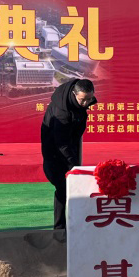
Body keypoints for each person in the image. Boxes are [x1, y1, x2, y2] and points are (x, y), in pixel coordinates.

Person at [40, 79, 97, 234]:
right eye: (82, 99)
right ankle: (60, 230)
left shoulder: (79, 104)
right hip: (54, 152)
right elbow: (61, 143)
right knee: (63, 188)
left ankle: (77, 226)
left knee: (75, 188)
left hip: (70, 148)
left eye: (89, 99)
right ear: (73, 94)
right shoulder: (62, 112)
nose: (86, 103)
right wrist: (74, 166)